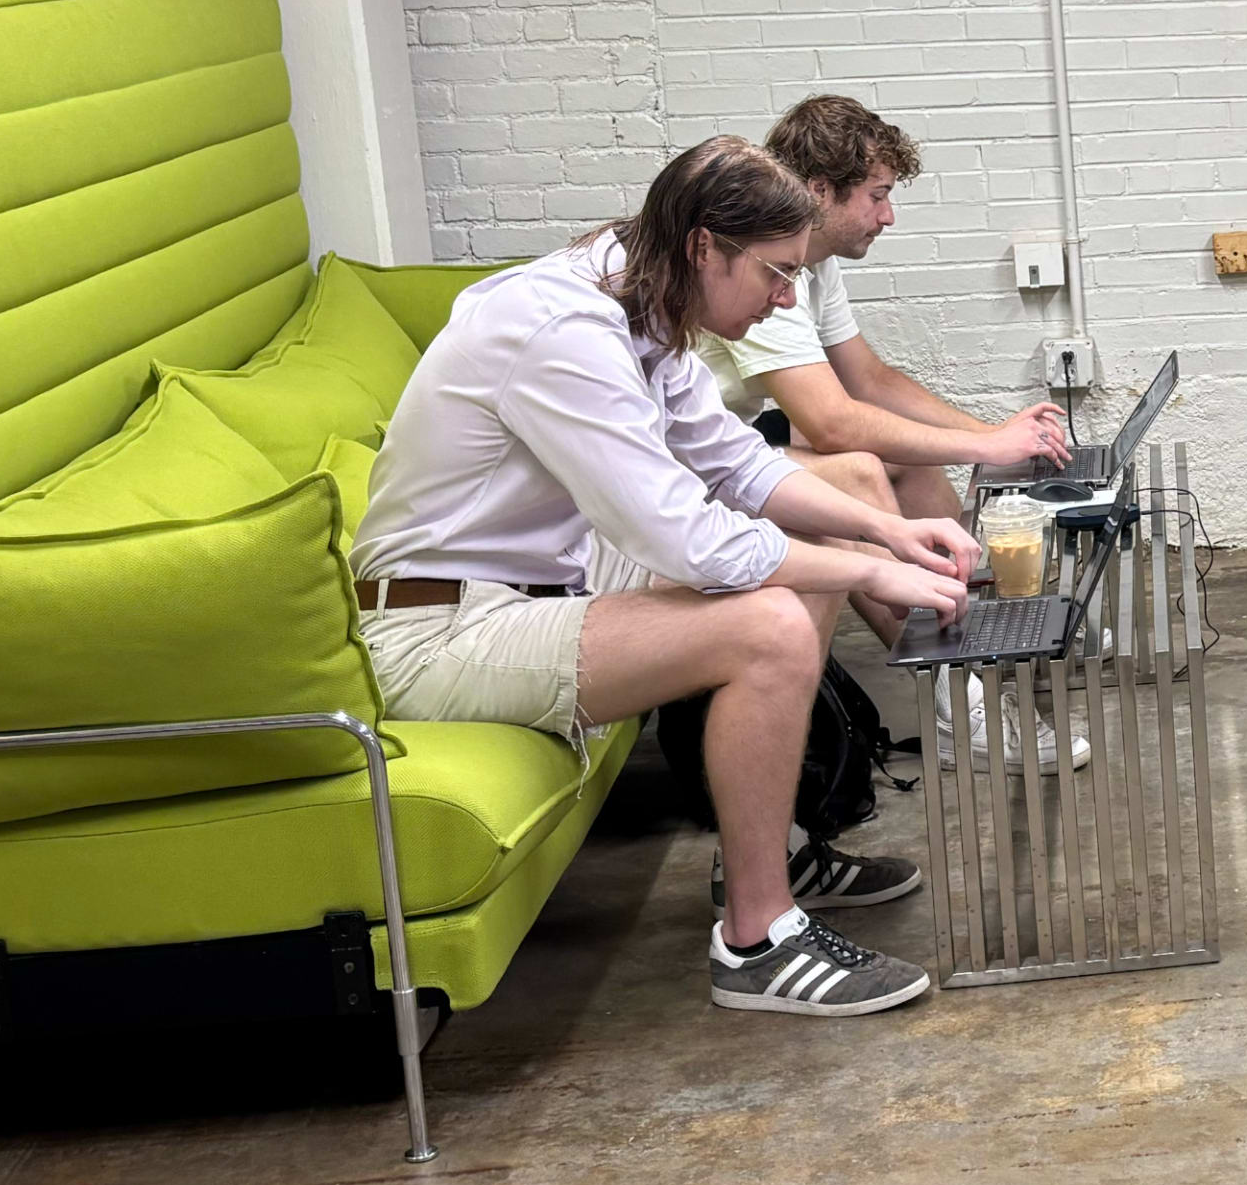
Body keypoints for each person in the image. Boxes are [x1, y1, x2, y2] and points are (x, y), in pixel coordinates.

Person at [351, 137, 975, 1020]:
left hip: (541, 583)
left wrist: (891, 529)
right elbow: (692, 542)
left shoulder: (636, 287)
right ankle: (756, 941)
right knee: (770, 626)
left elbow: (733, 466)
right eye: (775, 272)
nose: (787, 296)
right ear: (704, 246)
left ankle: (785, 848)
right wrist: (877, 567)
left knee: (819, 506)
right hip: (441, 632)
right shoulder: (564, 332)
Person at [696, 91, 1090, 774]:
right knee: (854, 469)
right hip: (695, 463)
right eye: (876, 196)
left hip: (724, 444)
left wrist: (995, 434)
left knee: (897, 460)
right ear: (820, 190)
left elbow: (870, 378)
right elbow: (831, 419)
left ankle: (989, 634)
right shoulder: (774, 263)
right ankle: (953, 702)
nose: (888, 214)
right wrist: (985, 446)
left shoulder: (812, 261)